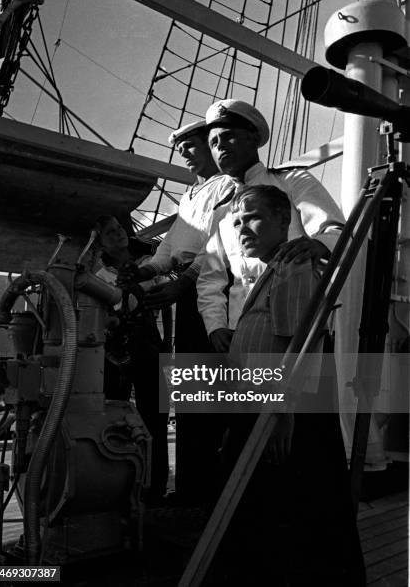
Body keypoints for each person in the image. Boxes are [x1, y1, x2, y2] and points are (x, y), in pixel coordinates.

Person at [206, 185, 365, 586]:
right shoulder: (273, 269)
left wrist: (280, 413)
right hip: (259, 406)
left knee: (284, 509)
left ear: (284, 220)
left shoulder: (293, 268)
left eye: (254, 217)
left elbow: (299, 348)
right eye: (237, 221)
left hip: (276, 413)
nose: (243, 228)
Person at [196, 98, 346, 352]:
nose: (221, 147)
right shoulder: (222, 209)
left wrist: (318, 245)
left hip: (293, 324)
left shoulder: (292, 181)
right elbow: (211, 277)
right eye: (213, 143)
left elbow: (335, 231)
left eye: (229, 136)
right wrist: (215, 325)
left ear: (253, 137)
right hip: (240, 329)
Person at [136, 120, 230, 504]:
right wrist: (144, 271)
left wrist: (182, 282)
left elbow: (217, 244)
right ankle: (191, 487)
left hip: (212, 292)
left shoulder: (227, 185)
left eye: (191, 146)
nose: (185, 153)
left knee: (211, 396)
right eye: (181, 150)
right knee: (192, 398)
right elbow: (168, 248)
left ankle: (210, 491)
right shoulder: (191, 196)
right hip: (187, 294)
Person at [95, 215, 169, 502]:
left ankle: (155, 487)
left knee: (155, 418)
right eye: (110, 232)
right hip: (117, 354)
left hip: (151, 348)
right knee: (115, 414)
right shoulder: (100, 277)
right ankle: (120, 484)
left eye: (120, 230)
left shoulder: (151, 262)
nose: (118, 235)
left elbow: (166, 297)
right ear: (100, 242)